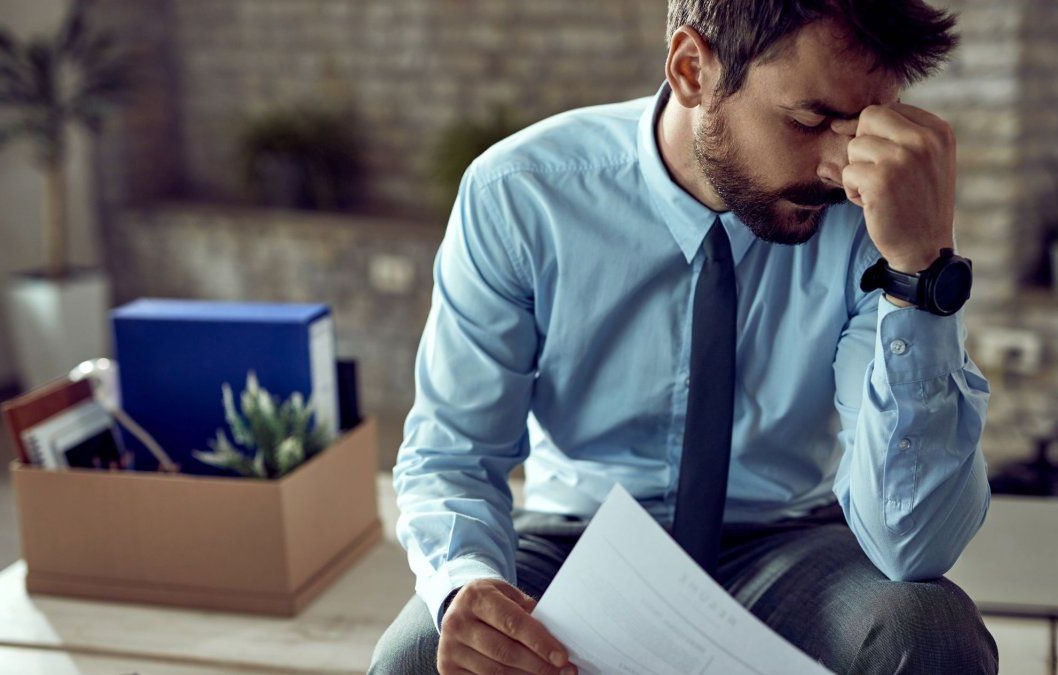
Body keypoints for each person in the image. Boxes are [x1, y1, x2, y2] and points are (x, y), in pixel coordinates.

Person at [371, 1, 999, 673]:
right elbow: (454, 452)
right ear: (692, 68)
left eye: (867, 124)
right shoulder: (521, 198)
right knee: (421, 656)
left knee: (931, 631)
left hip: (786, 543)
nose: (840, 166)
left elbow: (915, 546)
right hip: (574, 536)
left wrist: (920, 276)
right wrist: (467, 585)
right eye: (811, 120)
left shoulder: (873, 221)